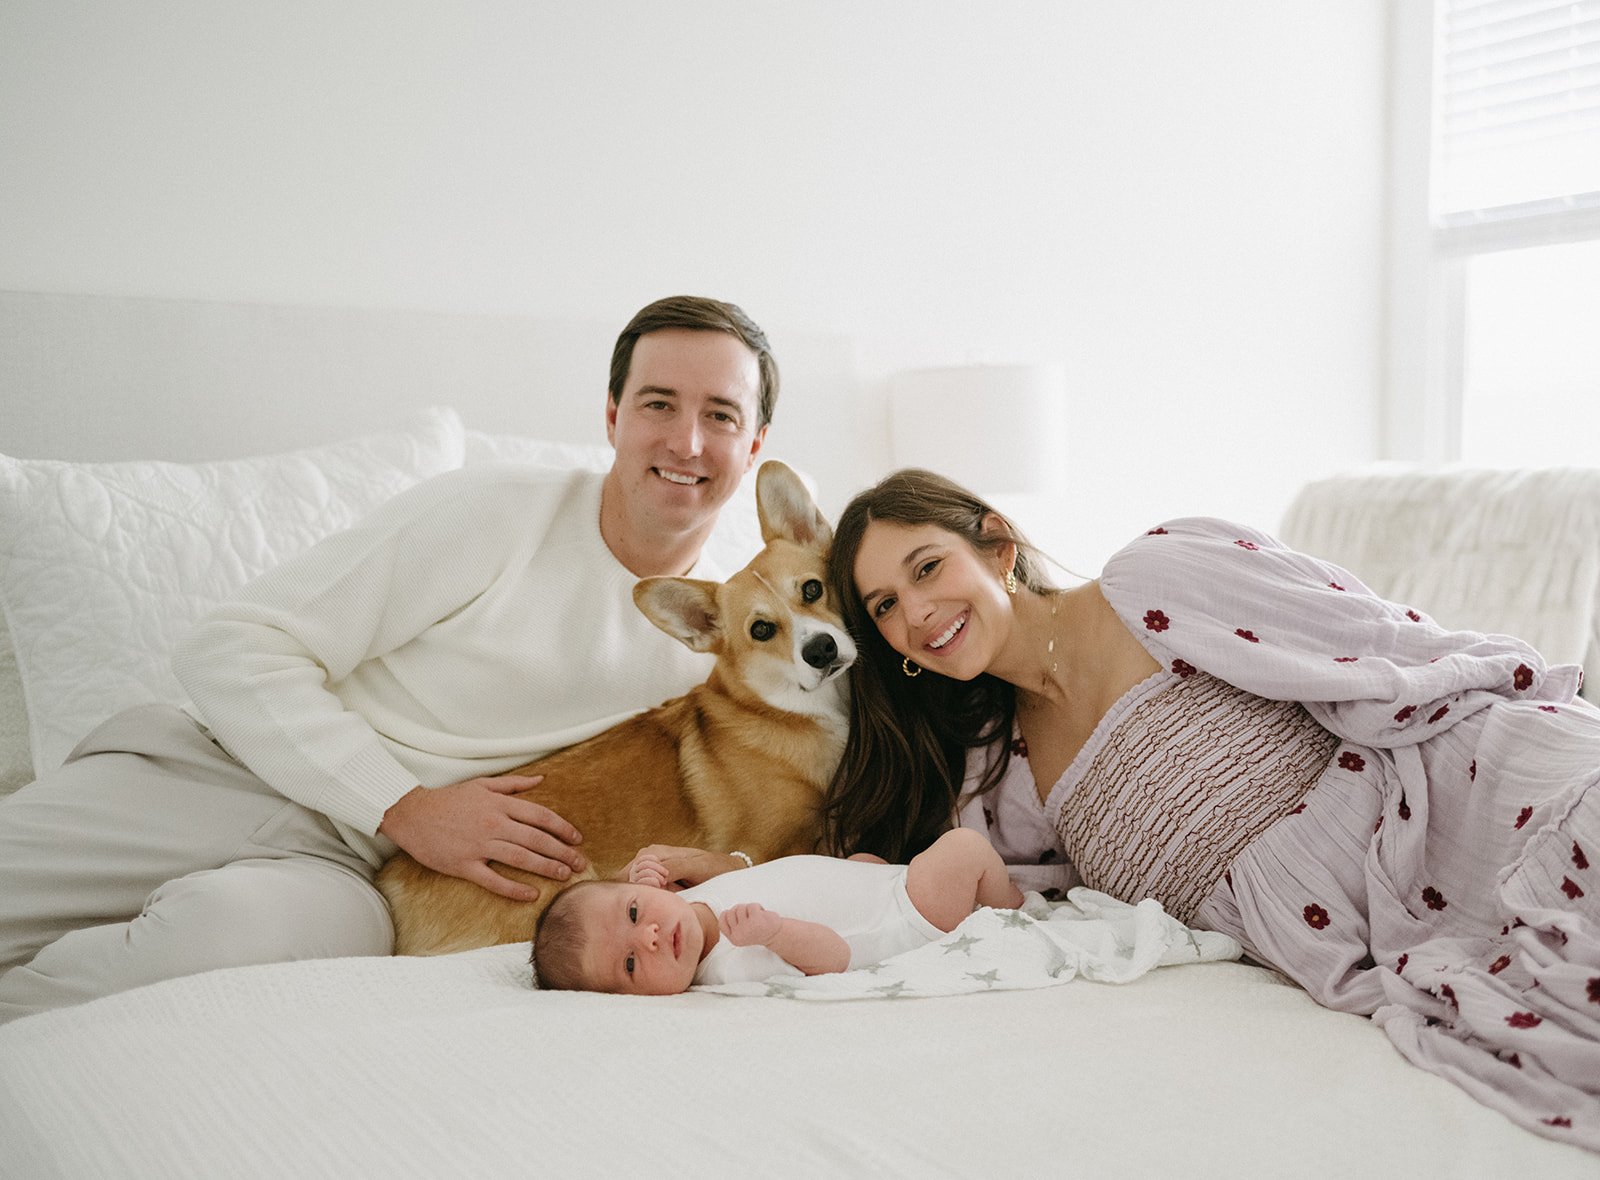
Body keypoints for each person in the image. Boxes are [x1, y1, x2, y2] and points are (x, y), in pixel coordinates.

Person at [0, 295, 778, 1023]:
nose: (687, 441)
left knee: (218, 944)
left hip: (360, 880)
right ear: (613, 416)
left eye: (720, 415)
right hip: (228, 774)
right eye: (658, 404)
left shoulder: (731, 641)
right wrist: (405, 805)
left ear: (754, 447)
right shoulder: (497, 511)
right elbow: (231, 647)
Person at [821, 467, 1600, 1150]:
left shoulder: (1150, 578)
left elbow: (1369, 637)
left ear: (997, 545)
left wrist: (1515, 681)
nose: (917, 613)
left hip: (1457, 793)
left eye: (928, 568)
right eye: (886, 606)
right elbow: (956, 900)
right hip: (1372, 931)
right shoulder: (997, 780)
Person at [531, 827, 1024, 994]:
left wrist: (649, 881)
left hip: (877, 882)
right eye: (632, 964)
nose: (651, 936)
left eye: (635, 914)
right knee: (964, 848)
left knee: (858, 861)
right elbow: (833, 959)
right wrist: (775, 932)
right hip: (902, 918)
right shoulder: (730, 963)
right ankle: (1017, 915)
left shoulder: (682, 903)